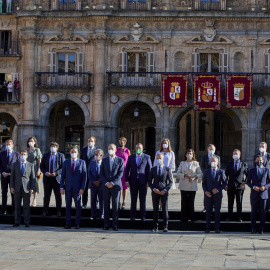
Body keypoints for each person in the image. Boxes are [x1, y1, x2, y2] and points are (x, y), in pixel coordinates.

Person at [60, 147, 86, 229]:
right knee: (68, 206)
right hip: (68, 187)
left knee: (78, 206)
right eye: (72, 152)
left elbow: (84, 176)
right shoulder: (66, 162)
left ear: (77, 152)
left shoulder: (82, 162)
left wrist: (82, 188)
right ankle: (68, 223)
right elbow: (62, 175)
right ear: (69, 152)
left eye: (75, 152)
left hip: (77, 188)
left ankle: (77, 223)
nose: (73, 153)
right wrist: (61, 187)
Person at [100, 144, 124, 231]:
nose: (110, 150)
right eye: (109, 148)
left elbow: (120, 173)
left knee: (115, 206)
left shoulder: (120, 160)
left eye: (112, 148)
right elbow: (101, 173)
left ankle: (115, 224)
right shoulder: (104, 160)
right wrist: (106, 182)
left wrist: (113, 183)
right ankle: (106, 224)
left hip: (115, 186)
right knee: (106, 206)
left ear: (115, 150)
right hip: (106, 186)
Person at [125, 143, 152, 221]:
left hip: (143, 181)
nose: (138, 149)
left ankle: (142, 215)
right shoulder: (131, 157)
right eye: (137, 147)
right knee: (133, 199)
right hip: (133, 181)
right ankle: (133, 215)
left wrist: (149, 181)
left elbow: (149, 170)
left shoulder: (147, 157)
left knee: (142, 200)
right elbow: (127, 169)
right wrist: (126, 180)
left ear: (142, 149)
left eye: (139, 147)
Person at [148, 153, 173, 232]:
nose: (159, 160)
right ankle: (155, 226)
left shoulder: (167, 169)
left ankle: (165, 226)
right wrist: (153, 189)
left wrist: (165, 190)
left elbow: (171, 182)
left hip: (164, 191)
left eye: (160, 158)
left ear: (163, 159)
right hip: (155, 191)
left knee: (165, 209)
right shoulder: (153, 169)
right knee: (155, 209)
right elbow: (149, 181)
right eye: (157, 158)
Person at [10, 150, 35, 227]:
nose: (23, 155)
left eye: (24, 154)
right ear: (19, 155)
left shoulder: (30, 165)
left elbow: (32, 178)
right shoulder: (15, 164)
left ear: (27, 156)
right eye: (21, 154)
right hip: (17, 187)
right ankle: (17, 221)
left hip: (26, 188)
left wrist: (32, 188)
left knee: (26, 206)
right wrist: (12, 187)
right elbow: (12, 177)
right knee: (17, 205)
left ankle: (27, 221)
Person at [202, 156, 227, 233]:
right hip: (208, 195)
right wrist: (205, 191)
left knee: (217, 212)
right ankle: (207, 227)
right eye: (211, 161)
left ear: (217, 162)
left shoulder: (221, 172)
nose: (213, 162)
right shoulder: (207, 171)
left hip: (217, 195)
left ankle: (217, 228)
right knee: (208, 212)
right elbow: (204, 183)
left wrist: (218, 189)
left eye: (214, 161)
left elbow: (225, 183)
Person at [246, 155, 270, 234]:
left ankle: (261, 229)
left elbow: (269, 182)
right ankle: (253, 228)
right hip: (254, 194)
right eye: (257, 160)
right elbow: (248, 181)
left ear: (263, 161)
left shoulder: (266, 170)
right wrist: (253, 187)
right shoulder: (252, 170)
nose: (258, 161)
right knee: (253, 212)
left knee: (262, 212)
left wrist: (265, 187)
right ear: (255, 161)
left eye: (260, 160)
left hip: (263, 194)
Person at [40, 142, 65, 217]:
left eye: (54, 146)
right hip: (47, 178)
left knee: (58, 196)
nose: (53, 148)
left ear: (57, 148)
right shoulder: (45, 155)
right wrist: (45, 172)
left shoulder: (61, 155)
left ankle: (58, 211)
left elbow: (63, 167)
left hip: (56, 179)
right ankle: (45, 211)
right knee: (46, 196)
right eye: (51, 146)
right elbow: (42, 166)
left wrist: (57, 173)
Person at [177, 149, 202, 223]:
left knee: (191, 202)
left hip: (192, 185)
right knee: (184, 202)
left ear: (193, 155)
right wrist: (184, 175)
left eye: (190, 153)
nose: (189, 155)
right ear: (185, 154)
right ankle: (183, 217)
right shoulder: (182, 163)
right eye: (188, 153)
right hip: (184, 184)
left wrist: (195, 177)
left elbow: (200, 173)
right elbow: (178, 173)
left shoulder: (196, 163)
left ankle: (192, 217)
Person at [225, 149, 248, 222]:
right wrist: (225, 184)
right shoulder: (229, 163)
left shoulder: (244, 164)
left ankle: (239, 216)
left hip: (240, 186)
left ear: (239, 155)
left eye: (236, 154)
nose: (235, 155)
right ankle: (229, 216)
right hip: (230, 185)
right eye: (234, 154)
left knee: (239, 202)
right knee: (230, 202)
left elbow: (248, 175)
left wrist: (244, 182)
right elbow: (225, 175)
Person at [0, 139, 19, 214]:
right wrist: (3, 172)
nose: (8, 146)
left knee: (13, 193)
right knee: (4, 192)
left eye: (9, 144)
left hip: (12, 176)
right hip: (4, 176)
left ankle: (14, 209)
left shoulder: (16, 154)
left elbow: (18, 165)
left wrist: (13, 173)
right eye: (7, 144)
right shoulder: (1, 153)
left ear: (12, 145)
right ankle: (3, 208)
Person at [200, 144, 221, 212]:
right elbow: (202, 166)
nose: (211, 150)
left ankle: (214, 206)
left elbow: (219, 167)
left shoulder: (217, 157)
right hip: (206, 176)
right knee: (206, 191)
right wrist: (205, 173)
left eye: (212, 149)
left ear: (214, 150)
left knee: (215, 191)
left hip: (215, 176)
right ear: (207, 150)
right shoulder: (204, 157)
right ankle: (206, 207)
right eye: (210, 149)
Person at [80, 136, 97, 208]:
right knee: (84, 188)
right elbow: (81, 160)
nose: (90, 142)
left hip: (94, 173)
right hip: (85, 172)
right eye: (89, 141)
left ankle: (95, 204)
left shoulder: (97, 150)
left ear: (94, 142)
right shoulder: (83, 149)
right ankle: (84, 203)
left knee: (94, 189)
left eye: (92, 141)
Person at [253, 142, 270, 212]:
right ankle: (258, 207)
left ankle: (268, 207)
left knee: (268, 192)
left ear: (266, 147)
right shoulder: (256, 155)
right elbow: (254, 166)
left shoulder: (269, 155)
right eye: (260, 146)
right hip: (259, 175)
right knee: (258, 193)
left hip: (267, 176)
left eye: (262, 146)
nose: (261, 147)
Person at [26, 137, 42, 207]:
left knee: (35, 183)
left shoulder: (37, 150)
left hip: (34, 168)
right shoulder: (26, 150)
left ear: (35, 142)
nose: (31, 142)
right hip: (27, 169)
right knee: (27, 184)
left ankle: (34, 199)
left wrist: (39, 169)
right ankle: (28, 199)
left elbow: (39, 160)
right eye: (29, 141)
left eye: (32, 141)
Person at [89, 149, 104, 220]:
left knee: (102, 200)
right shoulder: (92, 163)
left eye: (97, 154)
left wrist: (99, 181)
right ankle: (93, 214)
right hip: (93, 184)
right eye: (95, 154)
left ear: (101, 155)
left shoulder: (104, 163)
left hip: (101, 184)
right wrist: (94, 181)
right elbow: (89, 174)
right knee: (93, 200)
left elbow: (105, 174)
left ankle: (101, 214)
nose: (95, 156)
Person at [116, 137, 130, 209]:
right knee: (118, 186)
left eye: (122, 141)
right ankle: (118, 201)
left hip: (125, 170)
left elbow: (129, 160)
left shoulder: (127, 150)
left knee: (124, 187)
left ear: (125, 142)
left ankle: (123, 202)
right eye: (120, 141)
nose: (121, 142)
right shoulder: (116, 150)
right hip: (118, 170)